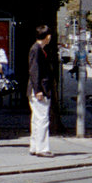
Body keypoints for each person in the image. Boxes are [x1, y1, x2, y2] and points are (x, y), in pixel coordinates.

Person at [28, 24, 56, 157]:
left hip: (36, 89)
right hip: (40, 90)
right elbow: (34, 70)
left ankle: (34, 146)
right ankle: (42, 148)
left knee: (36, 119)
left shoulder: (38, 48)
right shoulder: (37, 49)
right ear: (47, 36)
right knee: (42, 119)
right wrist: (38, 90)